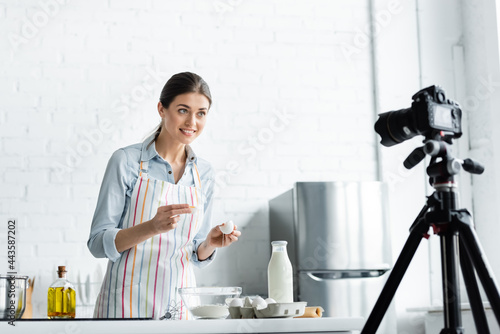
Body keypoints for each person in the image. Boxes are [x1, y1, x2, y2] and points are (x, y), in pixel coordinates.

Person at [87, 72, 241, 320]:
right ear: (162, 109)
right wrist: (151, 227)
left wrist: (210, 244)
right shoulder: (126, 161)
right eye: (183, 110)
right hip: (126, 307)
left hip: (180, 308)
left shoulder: (204, 173)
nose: (192, 121)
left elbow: (195, 254)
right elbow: (97, 243)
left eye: (201, 113)